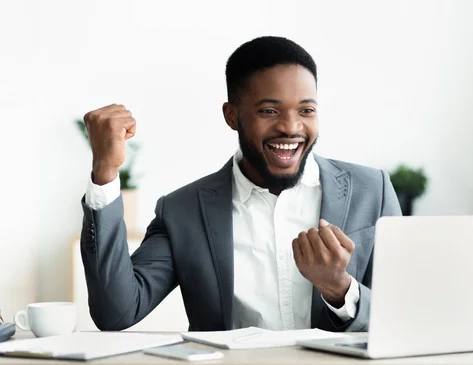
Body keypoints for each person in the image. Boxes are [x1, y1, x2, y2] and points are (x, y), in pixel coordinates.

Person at [80, 36, 401, 332]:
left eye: (306, 110)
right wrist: (105, 172)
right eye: (269, 110)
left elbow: (407, 315)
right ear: (232, 116)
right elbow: (116, 312)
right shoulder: (184, 211)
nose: (291, 127)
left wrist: (340, 289)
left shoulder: (372, 191)